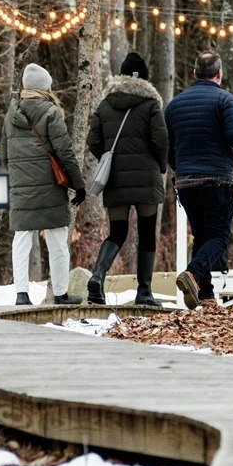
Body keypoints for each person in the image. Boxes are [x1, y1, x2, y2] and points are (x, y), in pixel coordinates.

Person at [85, 52, 171, 307]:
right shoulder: (151, 104)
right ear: (145, 77)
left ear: (121, 75)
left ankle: (98, 276)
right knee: (146, 233)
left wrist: (111, 158)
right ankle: (144, 292)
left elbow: (93, 142)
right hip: (146, 178)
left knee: (118, 232)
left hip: (116, 178)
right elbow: (161, 140)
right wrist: (160, 165)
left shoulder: (105, 105)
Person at [166, 52, 233, 308]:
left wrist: (181, 169)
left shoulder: (175, 105)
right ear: (219, 74)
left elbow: (168, 147)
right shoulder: (225, 100)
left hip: (186, 181)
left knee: (201, 235)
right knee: (220, 236)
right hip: (217, 178)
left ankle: (206, 296)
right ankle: (192, 273)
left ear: (194, 73)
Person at [3, 63, 85, 305]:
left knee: (21, 240)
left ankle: (21, 294)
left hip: (21, 188)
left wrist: (17, 179)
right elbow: (65, 152)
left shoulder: (11, 114)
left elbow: (4, 154)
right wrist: (78, 184)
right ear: (45, 87)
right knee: (57, 241)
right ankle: (60, 294)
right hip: (50, 186)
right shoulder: (50, 112)